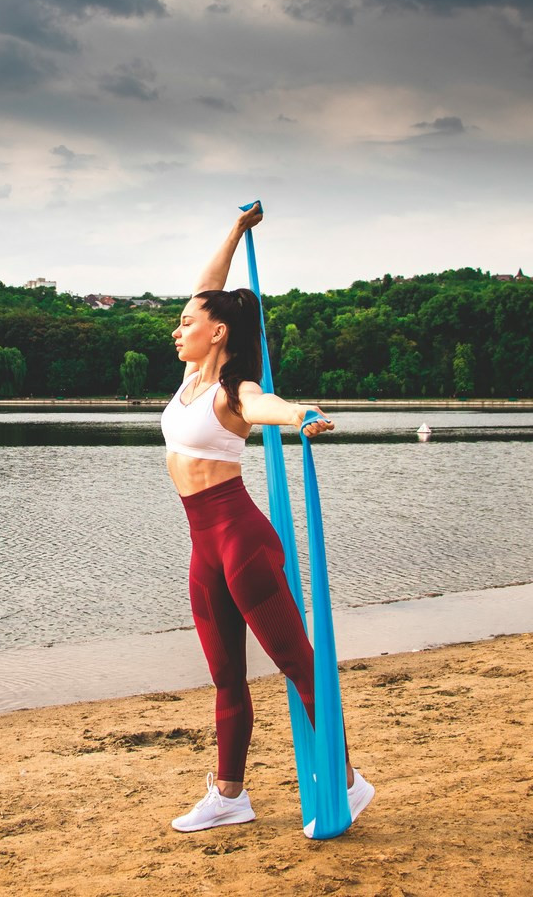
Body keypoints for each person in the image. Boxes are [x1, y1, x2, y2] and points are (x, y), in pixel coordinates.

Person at [160, 204, 374, 836]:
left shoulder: (233, 390)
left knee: (299, 665)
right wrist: (234, 232)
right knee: (225, 676)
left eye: (187, 322)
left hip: (242, 541)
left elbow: (266, 405)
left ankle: (348, 781)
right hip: (203, 545)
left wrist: (301, 414)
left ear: (218, 332)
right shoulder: (190, 379)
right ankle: (229, 795)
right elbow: (208, 286)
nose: (177, 329)